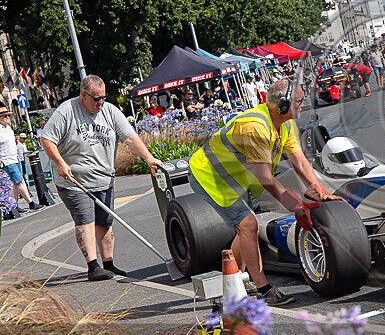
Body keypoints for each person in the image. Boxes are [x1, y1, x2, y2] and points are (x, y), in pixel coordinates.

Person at [188, 79, 341, 306]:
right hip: (210, 177)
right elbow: (266, 178)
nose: (302, 105)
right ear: (282, 105)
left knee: (244, 229)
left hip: (234, 180)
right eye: (298, 102)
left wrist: (319, 190)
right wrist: (296, 206)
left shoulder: (286, 124)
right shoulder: (256, 128)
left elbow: (299, 161)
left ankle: (231, 284)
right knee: (248, 225)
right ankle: (263, 290)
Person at [40, 75, 163, 281]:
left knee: (105, 222)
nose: (100, 102)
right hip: (75, 181)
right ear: (84, 95)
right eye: (96, 98)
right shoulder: (67, 111)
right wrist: (60, 163)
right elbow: (47, 138)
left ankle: (108, 263)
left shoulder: (110, 111)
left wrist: (149, 158)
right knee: (85, 220)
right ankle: (93, 267)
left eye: (103, 97)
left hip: (104, 177)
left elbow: (130, 137)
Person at [0, 109, 42, 214]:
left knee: (13, 184)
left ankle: (15, 207)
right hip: (7, 160)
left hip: (15, 158)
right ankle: (31, 203)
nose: (7, 117)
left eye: (8, 115)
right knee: (20, 182)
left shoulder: (8, 128)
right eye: (5, 115)